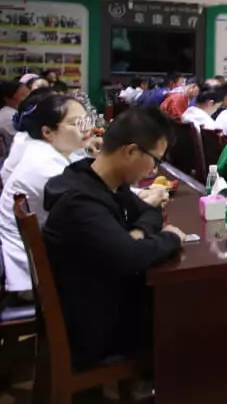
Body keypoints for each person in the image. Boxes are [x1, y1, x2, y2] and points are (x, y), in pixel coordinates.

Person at [43, 106, 184, 371]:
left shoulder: (99, 180)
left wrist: (139, 233)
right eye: (155, 160)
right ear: (131, 151)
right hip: (92, 328)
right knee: (186, 314)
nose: (154, 171)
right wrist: (170, 238)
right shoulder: (80, 201)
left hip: (102, 300)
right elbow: (130, 257)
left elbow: (149, 212)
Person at [0, 94, 94, 294]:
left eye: (87, 120)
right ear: (47, 131)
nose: (86, 128)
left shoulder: (46, 150)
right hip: (36, 278)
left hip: (44, 258)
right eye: (77, 123)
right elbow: (93, 207)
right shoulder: (45, 166)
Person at [0, 79, 29, 157]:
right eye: (23, 95)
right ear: (7, 98)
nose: (28, 98)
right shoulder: (9, 115)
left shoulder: (15, 113)